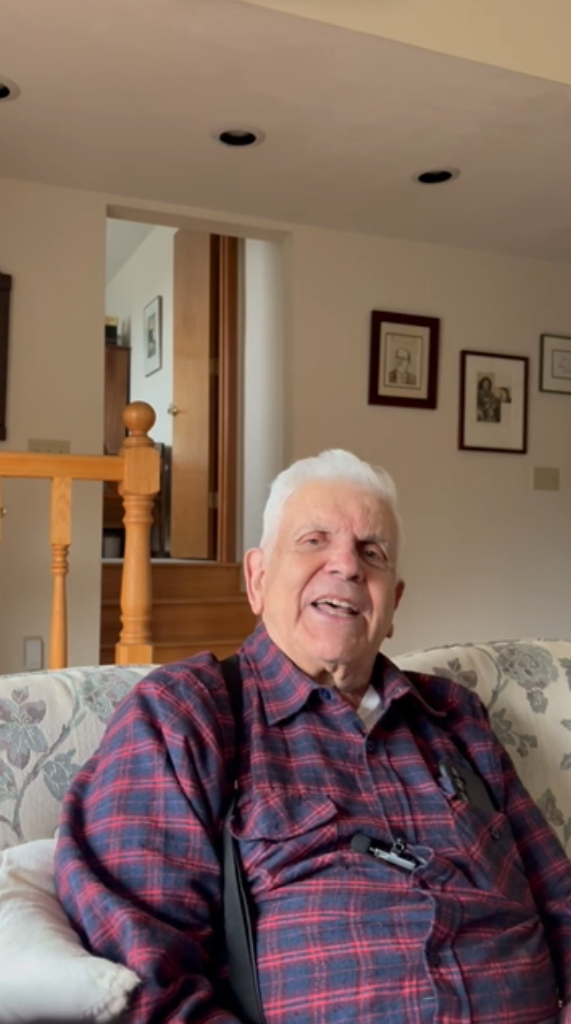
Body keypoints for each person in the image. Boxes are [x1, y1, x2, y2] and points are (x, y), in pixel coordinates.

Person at [55, 450, 571, 1024]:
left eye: (371, 553)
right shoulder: (185, 715)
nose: (347, 566)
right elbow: (146, 987)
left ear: (392, 604)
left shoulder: (454, 717)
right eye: (313, 541)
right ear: (257, 577)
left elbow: (560, 902)